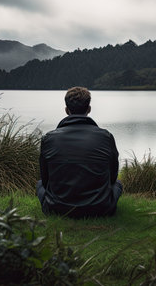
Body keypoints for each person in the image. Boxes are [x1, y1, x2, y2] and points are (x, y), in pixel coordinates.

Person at [36, 86, 122, 218]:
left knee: (39, 184)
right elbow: (113, 177)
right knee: (118, 184)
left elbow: (46, 179)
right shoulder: (106, 137)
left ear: (66, 110)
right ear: (89, 109)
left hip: (57, 209)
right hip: (101, 209)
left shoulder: (49, 138)